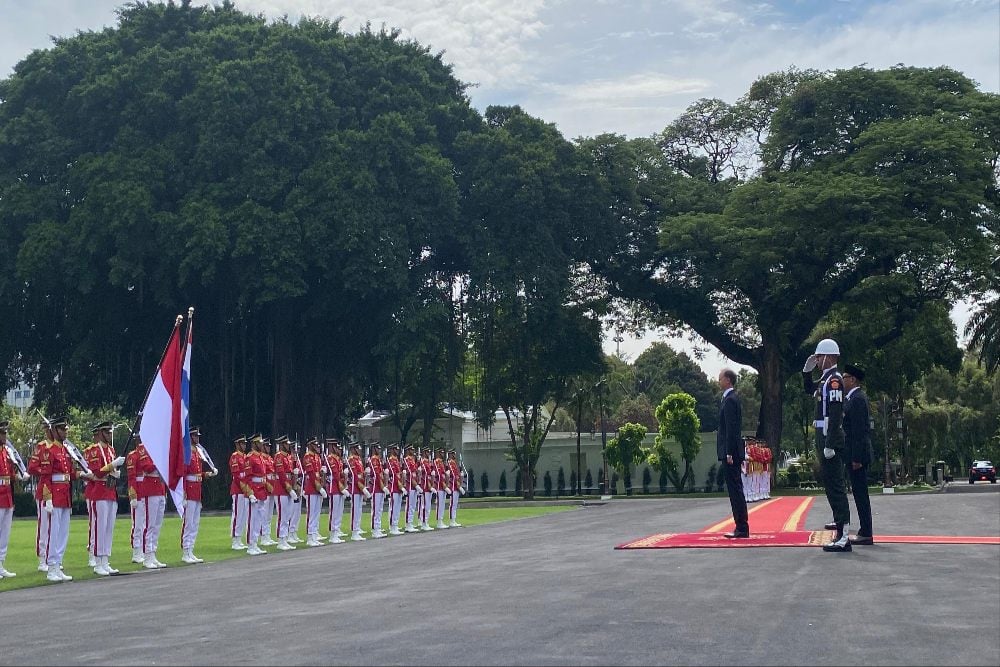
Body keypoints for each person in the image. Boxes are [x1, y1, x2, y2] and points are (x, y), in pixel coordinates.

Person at [803, 338, 852, 553]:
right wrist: (806, 373)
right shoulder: (824, 380)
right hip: (823, 436)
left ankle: (844, 536)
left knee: (836, 487)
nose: (818, 360)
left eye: (820, 357)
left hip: (829, 436)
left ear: (830, 357)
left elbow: (834, 413)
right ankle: (840, 531)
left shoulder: (834, 381)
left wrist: (831, 443)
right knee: (831, 487)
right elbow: (808, 390)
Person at [30, 415, 89, 581]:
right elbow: (46, 476)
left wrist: (83, 474)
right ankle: (51, 567)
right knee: (52, 532)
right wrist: (47, 497)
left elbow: (69, 473)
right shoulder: (49, 451)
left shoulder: (64, 450)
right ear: (54, 431)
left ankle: (58, 563)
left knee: (63, 532)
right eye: (62, 429)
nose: (65, 432)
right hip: (54, 495)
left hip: (64, 494)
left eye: (66, 429)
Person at [84, 421, 126, 575]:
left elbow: (109, 471)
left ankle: (105, 560)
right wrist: (112, 465)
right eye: (107, 432)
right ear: (100, 433)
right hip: (99, 492)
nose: (109, 435)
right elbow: (97, 472)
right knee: (99, 528)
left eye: (110, 432)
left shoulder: (111, 450)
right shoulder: (95, 450)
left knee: (109, 528)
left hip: (110, 491)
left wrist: (115, 472)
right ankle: (97, 562)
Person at [843, 364, 875, 545]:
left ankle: (866, 532)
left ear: (853, 379)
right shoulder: (853, 398)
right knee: (858, 493)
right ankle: (865, 530)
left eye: (845, 377)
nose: (842, 380)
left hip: (858, 456)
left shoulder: (857, 400)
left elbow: (858, 432)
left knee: (861, 494)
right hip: (855, 454)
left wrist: (856, 458)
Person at [717, 369, 749, 539]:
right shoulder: (730, 398)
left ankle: (742, 527)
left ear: (728, 380)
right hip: (732, 451)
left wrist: (729, 452)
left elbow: (731, 429)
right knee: (736, 489)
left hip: (731, 452)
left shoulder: (730, 400)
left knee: (735, 490)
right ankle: (741, 526)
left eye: (720, 378)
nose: (718, 381)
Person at [1, 420, 31, 578]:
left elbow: (9, 473)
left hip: (7, 494)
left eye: (5, 433)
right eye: (2, 433)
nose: (5, 435)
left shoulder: (7, 451)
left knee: (5, 532)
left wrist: (19, 476)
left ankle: (0, 564)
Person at [181, 427, 216, 563]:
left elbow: (197, 474)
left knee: (195, 523)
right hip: (189, 490)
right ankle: (186, 550)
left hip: (197, 490)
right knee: (188, 522)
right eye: (194, 436)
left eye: (197, 436)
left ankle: (191, 549)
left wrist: (206, 474)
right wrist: (183, 493)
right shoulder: (187, 452)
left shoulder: (197, 452)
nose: (197, 438)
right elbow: (184, 474)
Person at [135, 434, 168, 568]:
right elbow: (146, 467)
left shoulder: (158, 447)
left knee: (157, 524)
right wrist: (160, 462)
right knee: (149, 524)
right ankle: (147, 555)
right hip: (150, 486)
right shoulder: (143, 448)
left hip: (160, 486)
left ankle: (153, 552)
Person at [245, 435, 270, 555]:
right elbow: (247, 477)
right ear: (254, 444)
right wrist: (250, 493)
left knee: (259, 518)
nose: (261, 444)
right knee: (252, 518)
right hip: (254, 489)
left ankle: (255, 542)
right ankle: (251, 544)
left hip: (261, 489)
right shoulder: (250, 457)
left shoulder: (260, 457)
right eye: (259, 443)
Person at [272, 437, 297, 551]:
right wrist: (289, 488)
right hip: (281, 489)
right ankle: (281, 539)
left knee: (287, 515)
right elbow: (281, 474)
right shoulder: (278, 456)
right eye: (285, 444)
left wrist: (293, 486)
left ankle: (285, 538)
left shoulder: (287, 457)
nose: (288, 446)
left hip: (288, 487)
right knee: (282, 515)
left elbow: (290, 473)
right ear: (281, 445)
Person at [302, 437, 327, 546]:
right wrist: (319, 488)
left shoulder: (317, 457)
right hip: (312, 488)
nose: (317, 447)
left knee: (316, 513)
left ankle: (315, 534)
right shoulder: (307, 457)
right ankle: (310, 537)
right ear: (310, 445)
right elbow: (311, 475)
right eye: (315, 445)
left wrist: (323, 475)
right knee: (311, 513)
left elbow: (318, 473)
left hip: (318, 487)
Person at [228, 436, 250, 550]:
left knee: (243, 515)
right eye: (242, 444)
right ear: (237, 444)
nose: (244, 446)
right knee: (237, 514)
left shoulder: (245, 457)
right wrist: (244, 487)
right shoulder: (235, 457)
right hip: (238, 489)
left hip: (245, 489)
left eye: (245, 444)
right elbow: (236, 475)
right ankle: (235, 539)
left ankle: (239, 537)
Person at [324, 439, 347, 543]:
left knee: (338, 511)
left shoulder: (337, 459)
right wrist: (342, 487)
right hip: (334, 487)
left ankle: (336, 530)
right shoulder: (331, 459)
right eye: (336, 447)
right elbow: (335, 475)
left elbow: (340, 474)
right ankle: (333, 533)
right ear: (332, 447)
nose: (338, 449)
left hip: (339, 487)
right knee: (334, 511)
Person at [125, 443, 144, 563]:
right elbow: (131, 477)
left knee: (145, 524)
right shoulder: (133, 456)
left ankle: (143, 549)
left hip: (147, 490)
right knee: (137, 524)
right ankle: (136, 551)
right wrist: (133, 495)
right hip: (138, 491)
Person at [347, 443, 368, 541]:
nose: (359, 450)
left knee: (359, 510)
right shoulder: (351, 459)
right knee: (355, 510)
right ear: (353, 449)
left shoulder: (358, 459)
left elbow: (361, 474)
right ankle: (354, 532)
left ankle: (357, 528)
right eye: (357, 448)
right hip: (355, 488)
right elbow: (355, 476)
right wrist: (362, 488)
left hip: (360, 486)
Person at [367, 445, 387, 538]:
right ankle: (375, 530)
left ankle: (378, 527)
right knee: (376, 509)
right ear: (374, 449)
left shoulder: (378, 460)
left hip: (380, 488)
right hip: (376, 488)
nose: (379, 450)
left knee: (379, 510)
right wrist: (383, 487)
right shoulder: (374, 460)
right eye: (377, 448)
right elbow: (377, 475)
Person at [386, 444, 403, 535]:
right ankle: (392, 526)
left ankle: (395, 525)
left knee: (397, 507)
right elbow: (394, 474)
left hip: (398, 487)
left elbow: (399, 474)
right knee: (393, 507)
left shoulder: (396, 460)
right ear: (392, 450)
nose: (397, 451)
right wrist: (400, 486)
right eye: (395, 449)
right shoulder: (391, 460)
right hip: (394, 486)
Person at [402, 444, 420, 533]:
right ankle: (408, 524)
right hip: (410, 485)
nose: (413, 451)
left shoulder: (413, 460)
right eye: (411, 450)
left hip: (414, 485)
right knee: (409, 505)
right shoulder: (406, 460)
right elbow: (409, 473)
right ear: (408, 450)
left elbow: (415, 471)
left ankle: (411, 522)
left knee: (413, 505)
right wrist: (416, 484)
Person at [447, 450, 463, 528]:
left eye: (454, 453)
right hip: (453, 486)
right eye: (453, 454)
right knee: (452, 504)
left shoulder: (454, 463)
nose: (454, 455)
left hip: (456, 486)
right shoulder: (450, 462)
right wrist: (459, 485)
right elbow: (453, 475)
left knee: (455, 504)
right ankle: (451, 520)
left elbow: (457, 474)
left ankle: (454, 519)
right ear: (450, 454)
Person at [434, 447, 449, 529]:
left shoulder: (442, 463)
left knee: (442, 504)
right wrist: (444, 485)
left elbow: (444, 475)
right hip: (439, 487)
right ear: (438, 453)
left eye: (443, 453)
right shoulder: (437, 462)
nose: (443, 454)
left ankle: (441, 520)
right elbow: (439, 476)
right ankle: (439, 521)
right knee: (440, 504)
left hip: (443, 487)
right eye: (441, 453)